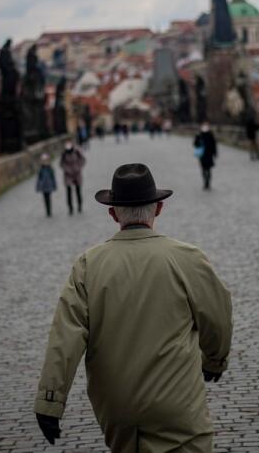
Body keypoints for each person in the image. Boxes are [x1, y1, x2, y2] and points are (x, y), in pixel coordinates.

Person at [34, 163, 233, 452]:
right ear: (159, 208)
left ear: (113, 213)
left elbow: (65, 336)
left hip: (117, 407)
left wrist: (50, 401)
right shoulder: (187, 259)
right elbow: (218, 317)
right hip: (177, 401)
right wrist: (215, 360)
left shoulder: (88, 265)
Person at [59, 140, 86, 215]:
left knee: (78, 191)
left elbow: (83, 160)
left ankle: (80, 206)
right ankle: (70, 208)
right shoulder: (64, 153)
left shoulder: (77, 151)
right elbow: (61, 163)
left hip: (77, 174)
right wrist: (67, 169)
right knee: (69, 191)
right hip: (68, 175)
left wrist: (78, 167)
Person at [194, 122, 218, 190]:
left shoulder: (210, 134)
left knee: (208, 169)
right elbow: (195, 144)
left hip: (209, 154)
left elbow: (214, 144)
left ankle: (208, 182)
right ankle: (205, 182)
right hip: (202, 155)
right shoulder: (199, 135)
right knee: (204, 169)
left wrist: (215, 153)